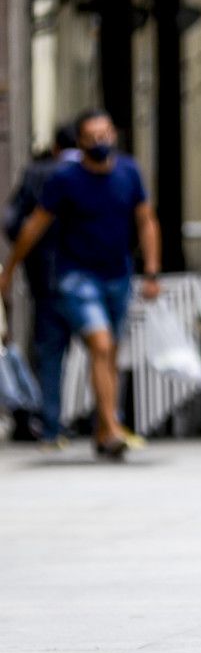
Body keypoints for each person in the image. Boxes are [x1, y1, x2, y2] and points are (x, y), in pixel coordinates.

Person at [0, 109, 161, 460]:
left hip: (118, 274)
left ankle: (103, 433)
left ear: (114, 134)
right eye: (92, 136)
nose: (100, 142)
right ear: (80, 141)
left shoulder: (129, 172)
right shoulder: (66, 179)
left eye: (106, 133)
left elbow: (146, 221)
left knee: (110, 352)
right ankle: (112, 427)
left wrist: (151, 270)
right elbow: (34, 225)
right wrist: (9, 269)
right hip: (76, 276)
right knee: (100, 345)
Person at [3, 124, 78, 449]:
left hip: (46, 276)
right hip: (92, 273)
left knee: (50, 352)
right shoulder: (104, 172)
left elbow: (13, 223)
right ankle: (105, 419)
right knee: (104, 349)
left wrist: (20, 263)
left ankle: (50, 425)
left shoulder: (37, 174)